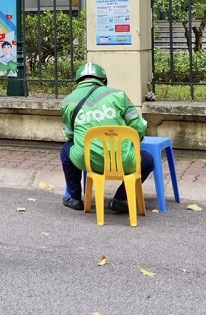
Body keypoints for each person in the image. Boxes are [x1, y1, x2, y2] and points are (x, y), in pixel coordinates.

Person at [60, 63, 154, 213]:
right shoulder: (118, 95)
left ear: (78, 82)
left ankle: (75, 198)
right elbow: (139, 127)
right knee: (148, 160)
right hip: (123, 161)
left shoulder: (68, 101)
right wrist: (135, 141)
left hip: (87, 161)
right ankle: (120, 199)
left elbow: (69, 135)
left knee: (66, 150)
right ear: (104, 81)